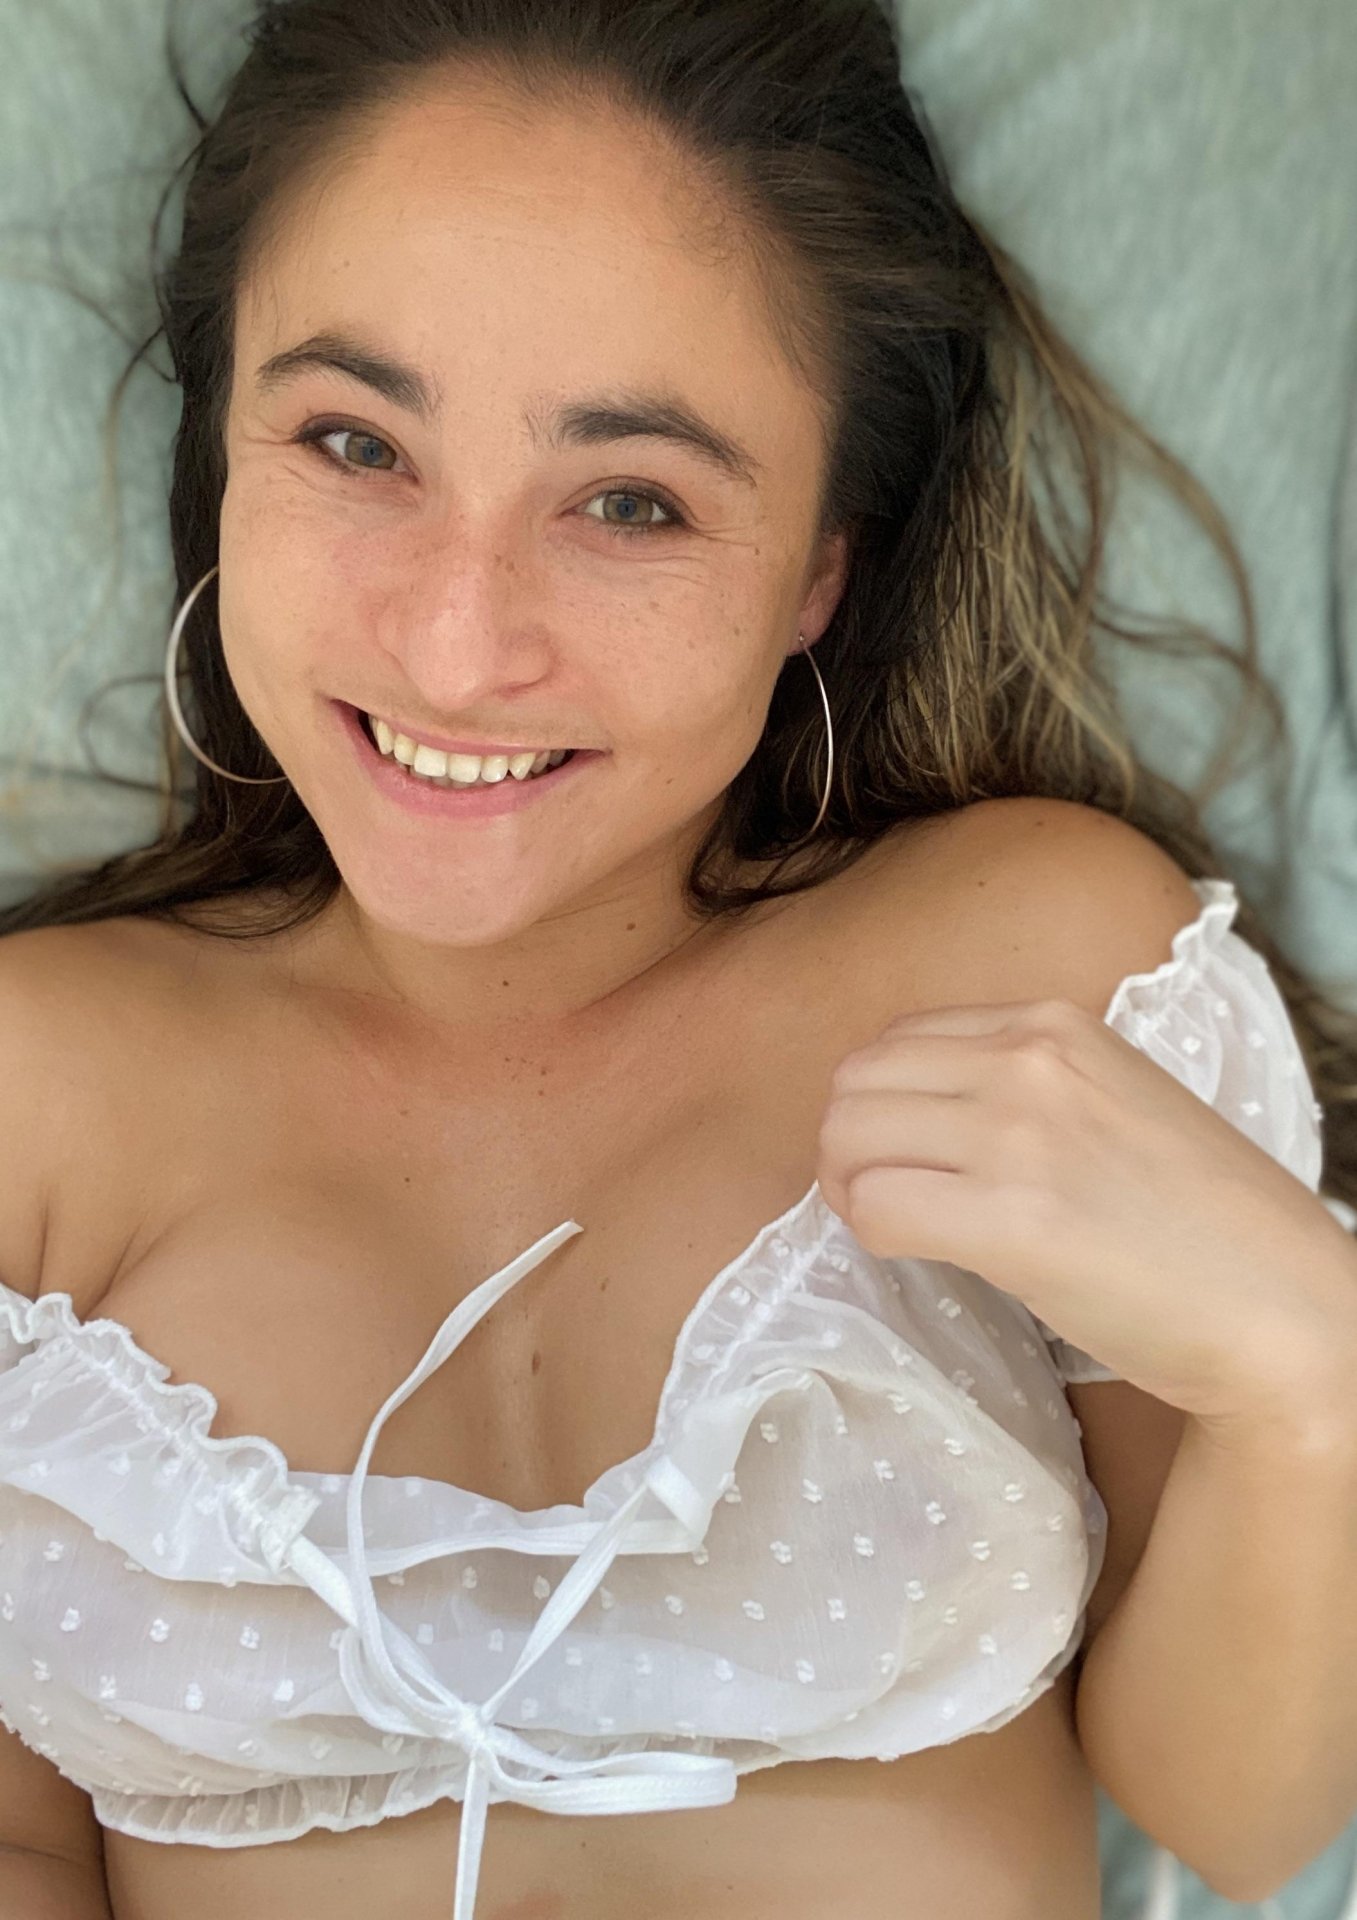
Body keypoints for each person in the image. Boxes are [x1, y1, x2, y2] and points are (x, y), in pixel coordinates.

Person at [1, 3, 1354, 1918]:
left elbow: (1239, 1819)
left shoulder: (1029, 969)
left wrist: (1309, 1380)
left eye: (630, 500)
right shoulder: (37, 1097)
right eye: (354, 444)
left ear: (818, 570)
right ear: (219, 446)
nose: (457, 646)